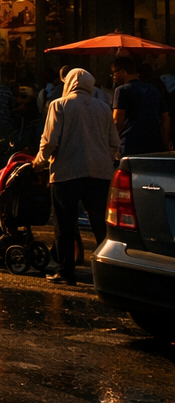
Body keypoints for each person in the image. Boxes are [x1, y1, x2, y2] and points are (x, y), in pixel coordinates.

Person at [35, 67, 120, 285]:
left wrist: (39, 163)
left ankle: (66, 272)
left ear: (68, 83)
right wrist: (102, 159)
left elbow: (50, 141)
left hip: (67, 172)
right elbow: (114, 143)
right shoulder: (103, 107)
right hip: (100, 173)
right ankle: (108, 273)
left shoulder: (59, 105)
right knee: (101, 225)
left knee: (65, 224)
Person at [111, 56, 173, 156]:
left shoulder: (121, 90)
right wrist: (164, 140)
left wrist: (111, 141)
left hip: (130, 144)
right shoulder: (154, 90)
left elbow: (118, 121)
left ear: (123, 71)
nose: (113, 76)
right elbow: (166, 117)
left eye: (114, 72)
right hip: (154, 143)